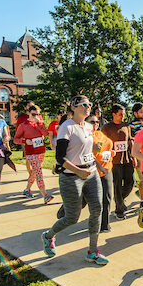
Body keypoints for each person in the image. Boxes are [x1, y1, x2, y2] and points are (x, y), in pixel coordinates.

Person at [41, 95, 108, 265]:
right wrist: (78, 171)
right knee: (72, 217)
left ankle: (93, 252)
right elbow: (60, 157)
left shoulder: (87, 126)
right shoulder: (66, 127)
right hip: (72, 177)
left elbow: (84, 151)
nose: (88, 107)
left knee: (97, 209)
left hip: (91, 174)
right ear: (73, 107)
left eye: (89, 104)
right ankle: (49, 236)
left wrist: (97, 165)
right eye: (84, 104)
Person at [14, 105, 53, 204]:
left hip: (41, 151)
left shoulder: (40, 123)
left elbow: (45, 134)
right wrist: (25, 141)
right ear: (28, 113)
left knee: (35, 172)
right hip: (31, 152)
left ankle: (27, 189)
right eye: (34, 114)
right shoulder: (23, 125)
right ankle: (45, 195)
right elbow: (15, 140)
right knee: (39, 172)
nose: (36, 116)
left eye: (38, 114)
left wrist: (39, 122)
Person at [102, 104, 135, 219]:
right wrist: (105, 163)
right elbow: (104, 145)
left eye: (124, 114)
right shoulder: (107, 127)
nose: (123, 116)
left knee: (131, 182)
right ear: (114, 114)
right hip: (114, 161)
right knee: (117, 185)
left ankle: (119, 199)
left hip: (127, 159)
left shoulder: (126, 126)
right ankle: (119, 210)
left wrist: (134, 158)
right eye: (120, 114)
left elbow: (130, 141)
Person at [87, 114, 115, 232]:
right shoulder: (84, 137)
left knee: (107, 197)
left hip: (106, 169)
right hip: (91, 172)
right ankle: (65, 211)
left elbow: (107, 146)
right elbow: (88, 156)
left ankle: (104, 225)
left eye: (97, 122)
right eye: (92, 122)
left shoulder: (100, 135)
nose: (96, 124)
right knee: (83, 199)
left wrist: (110, 153)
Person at [129, 102, 143, 202]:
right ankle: (142, 200)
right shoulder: (132, 125)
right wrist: (134, 157)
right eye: (141, 112)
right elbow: (131, 141)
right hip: (139, 155)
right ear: (135, 113)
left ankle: (141, 192)